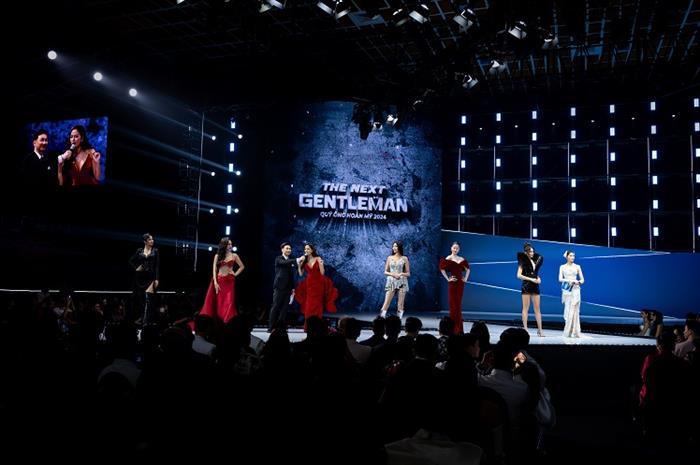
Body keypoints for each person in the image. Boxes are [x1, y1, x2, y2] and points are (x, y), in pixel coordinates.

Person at [200, 237, 245, 324]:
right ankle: (220, 323)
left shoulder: (234, 256)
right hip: (220, 281)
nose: (230, 246)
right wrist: (215, 282)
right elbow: (214, 270)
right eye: (228, 244)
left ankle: (227, 322)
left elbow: (242, 266)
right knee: (220, 303)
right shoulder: (217, 256)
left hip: (230, 281)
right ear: (224, 245)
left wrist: (235, 274)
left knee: (229, 302)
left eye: (231, 244)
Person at [294, 242, 337, 330]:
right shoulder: (304, 259)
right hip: (309, 283)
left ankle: (317, 327)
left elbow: (322, 273)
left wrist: (321, 264)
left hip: (319, 283)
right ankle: (308, 327)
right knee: (309, 305)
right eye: (305, 249)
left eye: (308, 249)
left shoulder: (318, 258)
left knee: (317, 305)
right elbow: (301, 274)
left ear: (312, 250)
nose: (306, 250)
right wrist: (299, 265)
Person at [439, 241, 471, 334]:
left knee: (458, 305)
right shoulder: (448, 258)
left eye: (457, 248)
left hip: (460, 284)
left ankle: (459, 328)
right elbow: (442, 269)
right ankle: (454, 328)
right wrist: (448, 279)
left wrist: (465, 279)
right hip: (452, 284)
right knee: (453, 305)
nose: (455, 249)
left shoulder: (461, 259)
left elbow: (468, 269)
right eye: (454, 248)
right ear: (451, 248)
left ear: (459, 249)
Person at [128, 233, 160, 325]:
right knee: (142, 300)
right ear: (145, 241)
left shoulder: (155, 251)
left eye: (152, 239)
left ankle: (146, 321)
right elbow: (131, 260)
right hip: (140, 278)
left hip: (151, 278)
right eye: (150, 239)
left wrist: (157, 279)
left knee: (148, 299)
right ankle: (143, 319)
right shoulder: (139, 251)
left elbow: (157, 266)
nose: (152, 241)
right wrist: (137, 267)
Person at [268, 241, 298, 331]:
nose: (289, 250)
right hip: (279, 287)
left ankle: (280, 327)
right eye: (287, 248)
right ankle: (271, 327)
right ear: (282, 249)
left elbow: (292, 275)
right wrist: (296, 260)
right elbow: (284, 263)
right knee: (275, 306)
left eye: (290, 249)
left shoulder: (291, 260)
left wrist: (293, 288)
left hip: (288, 287)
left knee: (285, 309)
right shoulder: (278, 259)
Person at [517, 242, 545, 337]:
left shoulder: (535, 260)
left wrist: (538, 278)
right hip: (526, 286)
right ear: (526, 252)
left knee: (537, 309)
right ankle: (525, 330)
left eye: (533, 251)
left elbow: (534, 273)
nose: (532, 253)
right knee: (526, 308)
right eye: (530, 252)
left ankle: (540, 330)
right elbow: (519, 275)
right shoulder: (522, 262)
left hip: (535, 286)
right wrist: (531, 279)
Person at [379, 241, 411, 319]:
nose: (394, 248)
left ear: (399, 247)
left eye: (396, 246)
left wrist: (401, 274)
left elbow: (408, 273)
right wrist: (393, 274)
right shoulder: (389, 258)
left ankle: (398, 321)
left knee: (400, 304)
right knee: (386, 302)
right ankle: (381, 319)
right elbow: (385, 271)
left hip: (402, 281)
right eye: (393, 246)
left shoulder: (404, 258)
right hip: (391, 281)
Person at [559, 250, 584, 338]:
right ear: (567, 257)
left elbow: (582, 280)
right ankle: (568, 331)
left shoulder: (577, 266)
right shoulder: (562, 267)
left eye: (573, 256)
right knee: (567, 310)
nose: (572, 257)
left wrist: (577, 282)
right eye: (571, 255)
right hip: (567, 290)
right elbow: (560, 279)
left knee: (575, 311)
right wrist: (569, 281)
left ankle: (574, 331)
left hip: (576, 290)